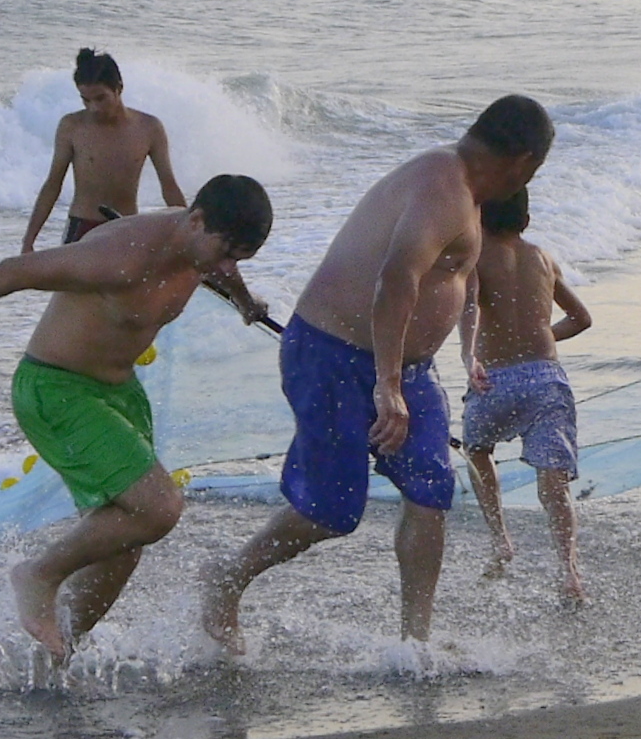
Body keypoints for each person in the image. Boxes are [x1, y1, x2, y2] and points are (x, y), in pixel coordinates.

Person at [200, 95, 552, 653]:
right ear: (524, 161)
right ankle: (227, 578)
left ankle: (416, 643)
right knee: (332, 512)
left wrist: (452, 356)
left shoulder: (467, 194)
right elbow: (397, 280)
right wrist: (386, 386)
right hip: (333, 356)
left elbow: (459, 279)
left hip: (407, 365)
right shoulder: (444, 187)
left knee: (432, 488)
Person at [0, 175, 273, 662]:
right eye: (226, 252)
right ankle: (39, 575)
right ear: (197, 221)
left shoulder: (200, 244)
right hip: (58, 393)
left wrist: (245, 301)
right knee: (160, 508)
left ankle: (55, 656)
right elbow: (12, 272)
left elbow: (219, 266)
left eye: (239, 260)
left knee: (124, 541)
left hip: (119, 394)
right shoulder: (120, 257)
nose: (227, 267)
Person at [457, 187, 593, 602]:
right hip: (547, 378)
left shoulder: (475, 258)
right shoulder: (543, 259)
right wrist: (538, 339)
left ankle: (501, 539)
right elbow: (581, 318)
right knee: (553, 482)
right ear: (526, 221)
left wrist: (468, 357)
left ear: (478, 220)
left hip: (495, 380)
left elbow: (469, 310)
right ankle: (569, 573)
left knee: (477, 448)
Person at [21, 48, 186, 250]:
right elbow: (52, 185)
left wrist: (191, 236)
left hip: (126, 227)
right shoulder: (72, 126)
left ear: (119, 88)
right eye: (85, 100)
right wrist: (28, 240)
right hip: (82, 227)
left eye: (101, 98)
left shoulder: (149, 128)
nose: (94, 108)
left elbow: (169, 186)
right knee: (75, 282)